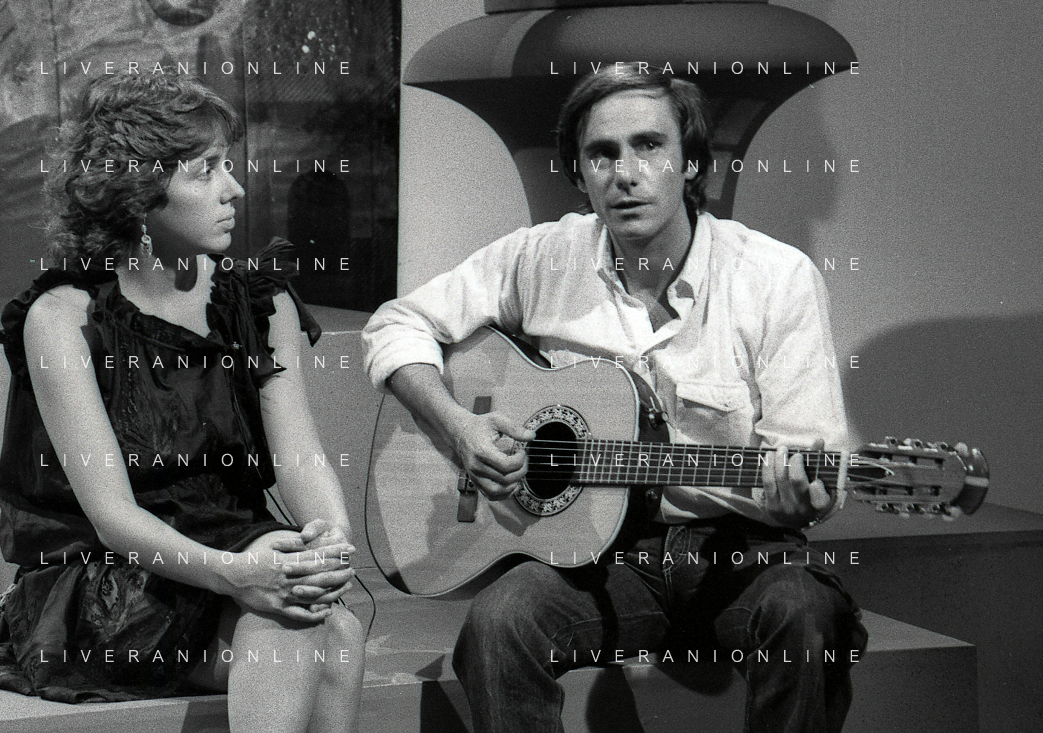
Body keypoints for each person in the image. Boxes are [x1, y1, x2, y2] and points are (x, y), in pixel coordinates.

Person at [362, 68, 867, 733]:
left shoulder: (775, 278)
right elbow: (396, 325)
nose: (625, 174)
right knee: (497, 624)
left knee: (805, 619)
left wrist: (798, 496)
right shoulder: (543, 256)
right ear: (579, 171)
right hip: (594, 558)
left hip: (738, 552)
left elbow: (806, 462)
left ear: (691, 162)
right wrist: (457, 427)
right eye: (602, 154)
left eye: (648, 146)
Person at [0, 74, 364, 733]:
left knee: (336, 633)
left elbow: (300, 455)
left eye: (227, 165)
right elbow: (113, 518)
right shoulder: (63, 318)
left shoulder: (261, 303)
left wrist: (331, 541)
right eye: (206, 171)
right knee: (305, 636)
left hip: (236, 548)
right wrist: (236, 575)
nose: (235, 189)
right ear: (139, 191)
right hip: (115, 575)